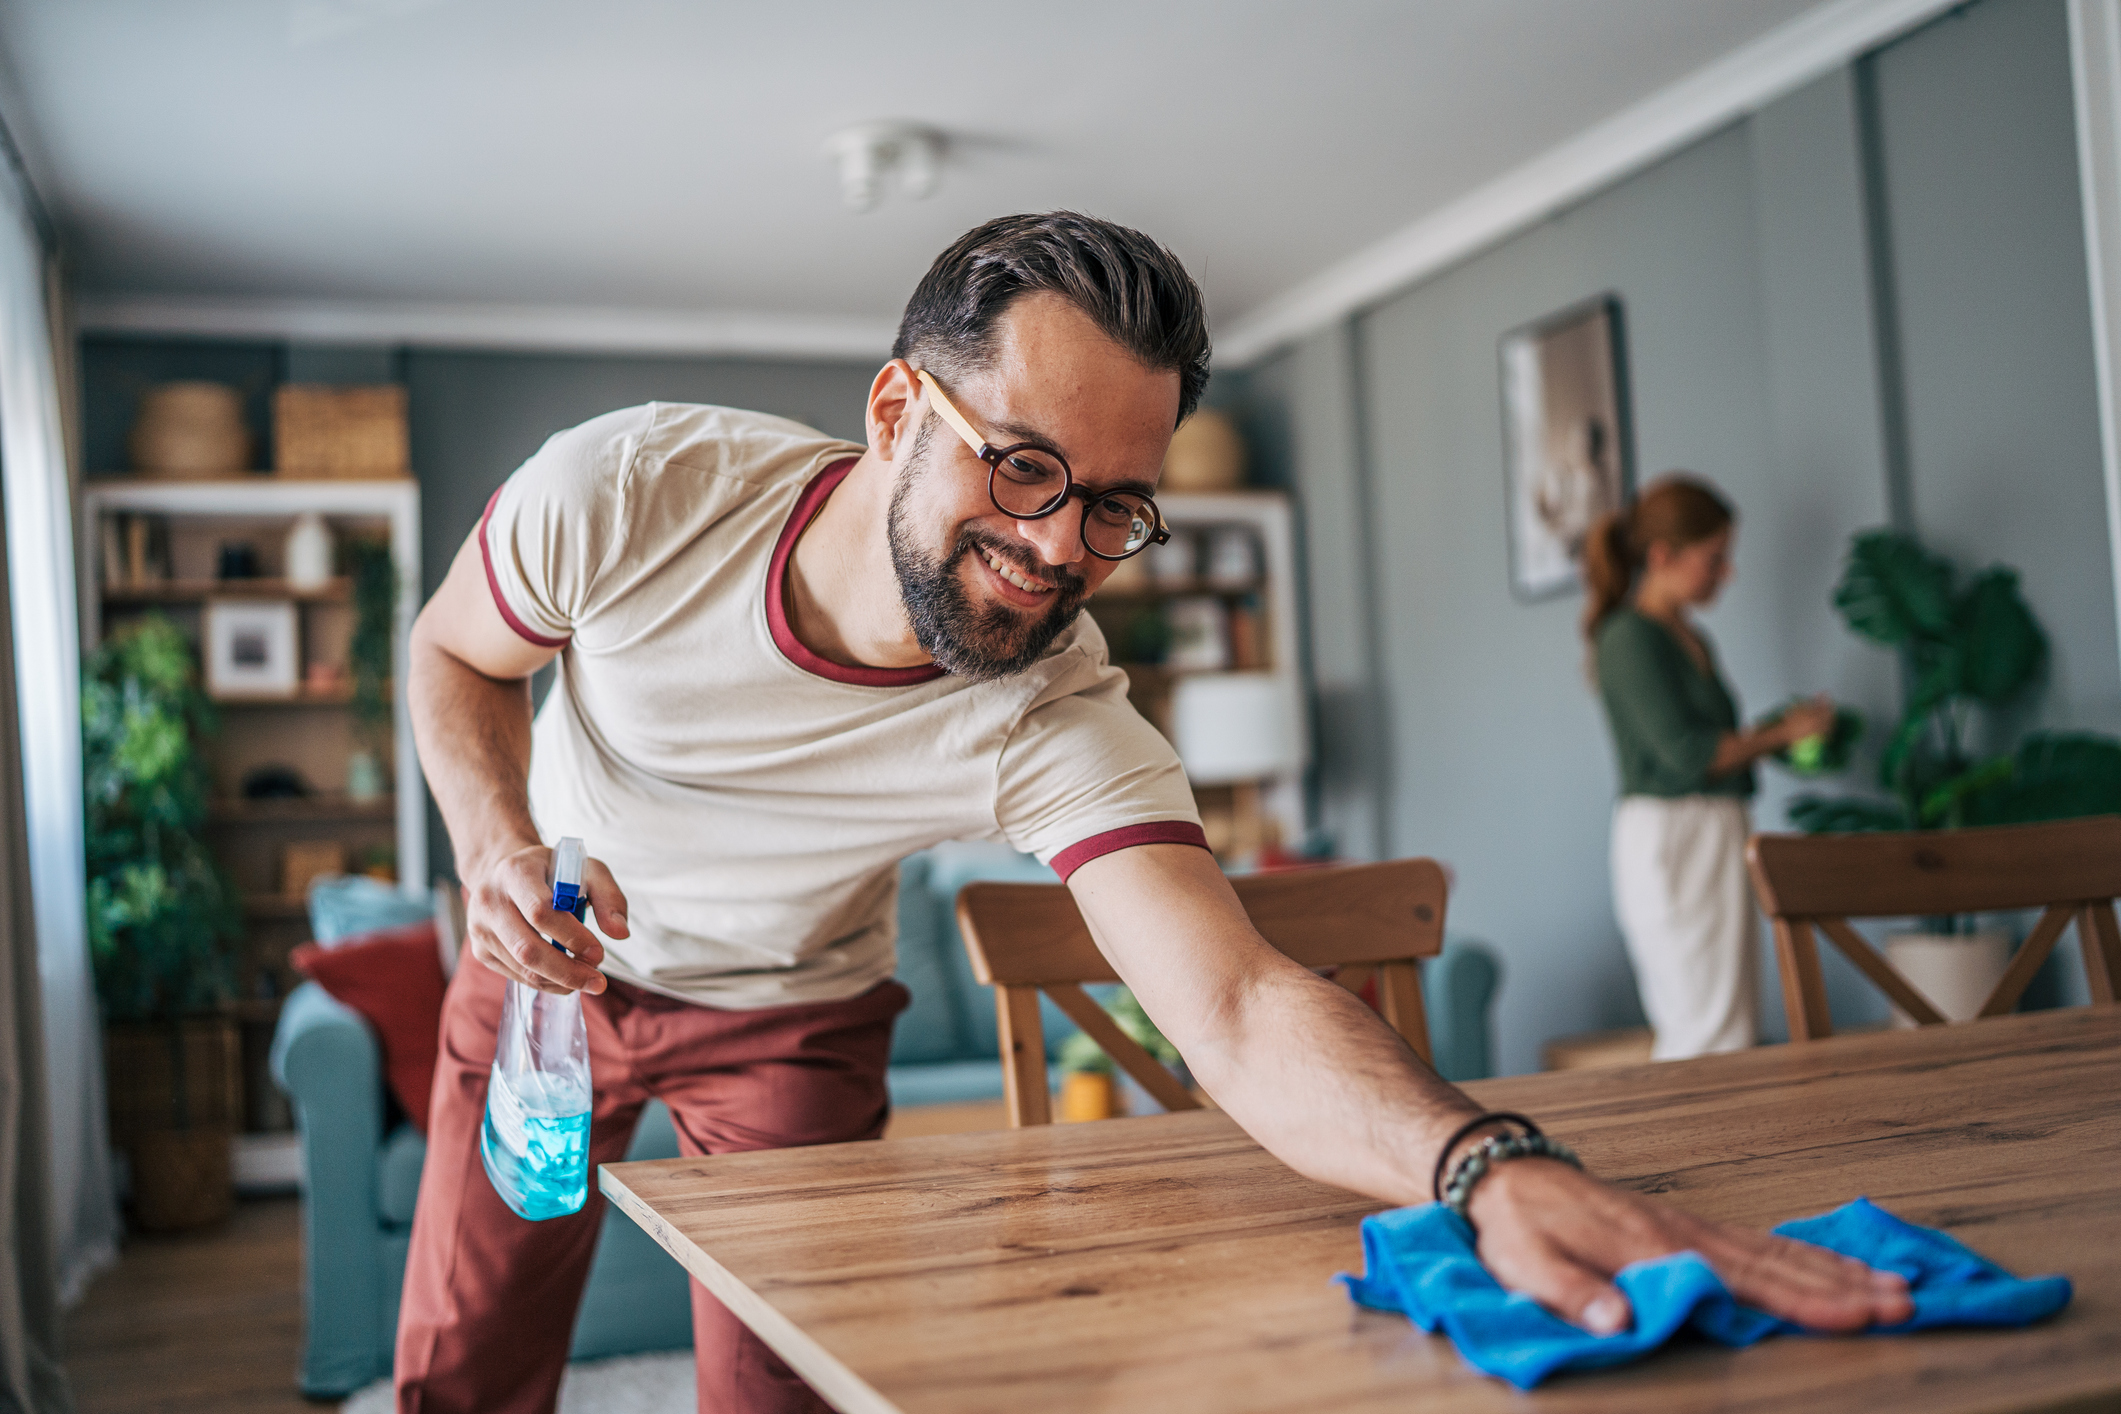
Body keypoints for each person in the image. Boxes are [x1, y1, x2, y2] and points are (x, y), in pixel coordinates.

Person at [400, 214, 1908, 1414]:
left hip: (797, 1012)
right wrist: (490, 847)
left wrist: (1487, 1164)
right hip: (546, 972)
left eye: (1112, 502)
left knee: (787, 1388)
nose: (1060, 547)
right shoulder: (627, 490)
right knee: (466, 1360)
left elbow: (1240, 1004)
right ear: (896, 409)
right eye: (1025, 466)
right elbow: (453, 654)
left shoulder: (1045, 704)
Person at [1583, 475, 1836, 1060]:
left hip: (1714, 831)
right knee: (1703, 1025)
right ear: (1662, 555)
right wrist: (1780, 735)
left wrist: (1779, 733)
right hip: (1677, 838)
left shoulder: (1689, 637)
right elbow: (1688, 753)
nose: (1727, 573)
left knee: (1730, 1021)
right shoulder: (1628, 638)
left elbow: (1717, 743)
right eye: (1715, 558)